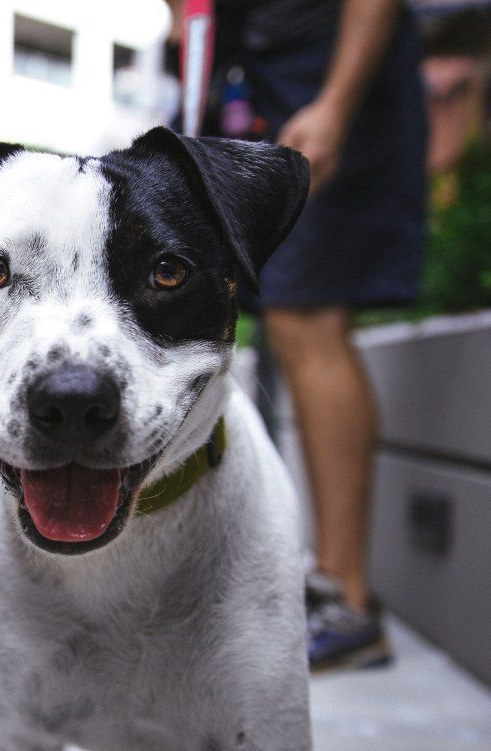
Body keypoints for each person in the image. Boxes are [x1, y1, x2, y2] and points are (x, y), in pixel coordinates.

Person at [168, 0, 428, 671]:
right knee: (235, 307)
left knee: (306, 315)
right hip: (251, 71)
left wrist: (338, 103)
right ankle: (287, 581)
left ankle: (348, 601)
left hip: (331, 73)